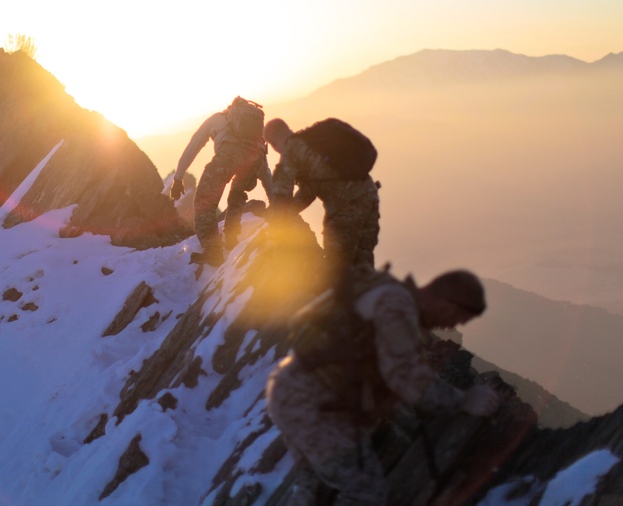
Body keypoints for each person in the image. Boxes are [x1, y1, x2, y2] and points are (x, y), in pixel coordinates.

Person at [266, 268, 502, 506]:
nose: (451, 326)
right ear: (447, 304)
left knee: (314, 488)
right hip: (313, 404)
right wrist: (465, 400)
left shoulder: (387, 294)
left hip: (295, 393)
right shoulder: (396, 305)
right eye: (457, 317)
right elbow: (407, 379)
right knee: (364, 493)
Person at [265, 118, 380, 276]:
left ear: (273, 143)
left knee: (336, 270)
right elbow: (308, 193)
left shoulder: (291, 150)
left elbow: (281, 192)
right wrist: (291, 211)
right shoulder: (311, 141)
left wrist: (274, 223)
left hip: (345, 208)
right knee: (364, 264)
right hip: (369, 195)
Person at [170, 97, 272, 266]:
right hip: (256, 158)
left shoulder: (218, 119)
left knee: (204, 201)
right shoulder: (254, 132)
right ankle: (231, 236)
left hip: (229, 156)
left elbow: (193, 146)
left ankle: (213, 251)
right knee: (238, 192)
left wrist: (178, 178)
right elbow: (265, 168)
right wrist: (276, 198)